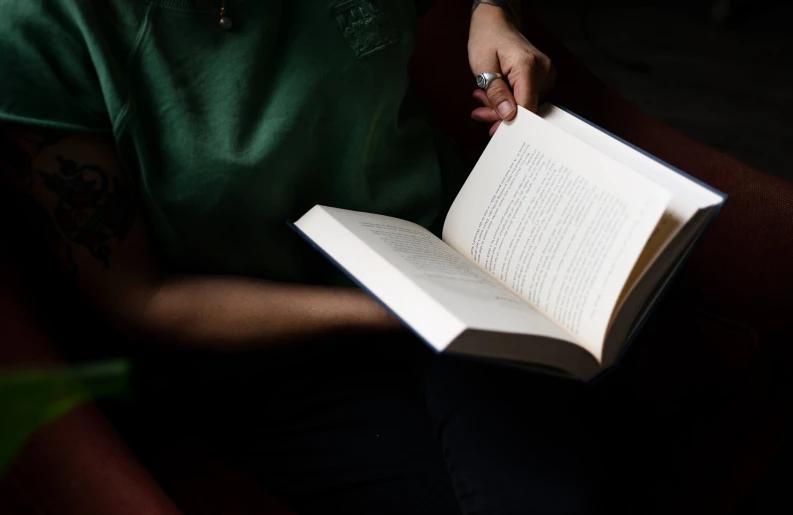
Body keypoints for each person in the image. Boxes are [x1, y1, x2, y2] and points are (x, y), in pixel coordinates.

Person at [0, 1, 616, 514]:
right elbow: (138, 299)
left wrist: (490, 11)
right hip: (264, 355)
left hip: (454, 269)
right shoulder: (38, 30)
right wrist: (392, 307)